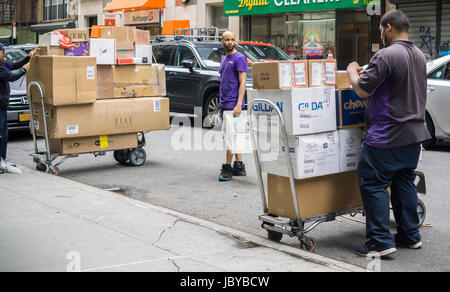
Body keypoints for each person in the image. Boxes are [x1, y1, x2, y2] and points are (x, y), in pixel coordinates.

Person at [347, 10, 431, 257]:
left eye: (381, 30)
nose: (381, 34)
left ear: (388, 27)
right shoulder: (419, 55)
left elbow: (362, 90)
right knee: (403, 181)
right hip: (413, 134)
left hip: (387, 134)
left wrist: (352, 68)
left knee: (373, 182)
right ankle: (409, 235)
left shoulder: (385, 55)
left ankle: (380, 241)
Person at [0, 42, 36, 173]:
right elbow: (10, 76)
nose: (4, 53)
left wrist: (27, 57)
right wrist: (24, 70)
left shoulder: (2, 64)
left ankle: (2, 160)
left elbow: (13, 65)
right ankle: (1, 161)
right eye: (2, 51)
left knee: (3, 134)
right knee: (1, 135)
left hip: (2, 106)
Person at [218, 31, 247, 182]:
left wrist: (238, 104)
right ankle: (239, 165)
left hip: (233, 104)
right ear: (222, 41)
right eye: (227, 39)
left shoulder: (239, 58)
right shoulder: (224, 58)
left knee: (230, 137)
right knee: (232, 136)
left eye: (232, 39)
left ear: (236, 41)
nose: (230, 42)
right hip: (224, 102)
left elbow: (243, 83)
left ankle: (227, 168)